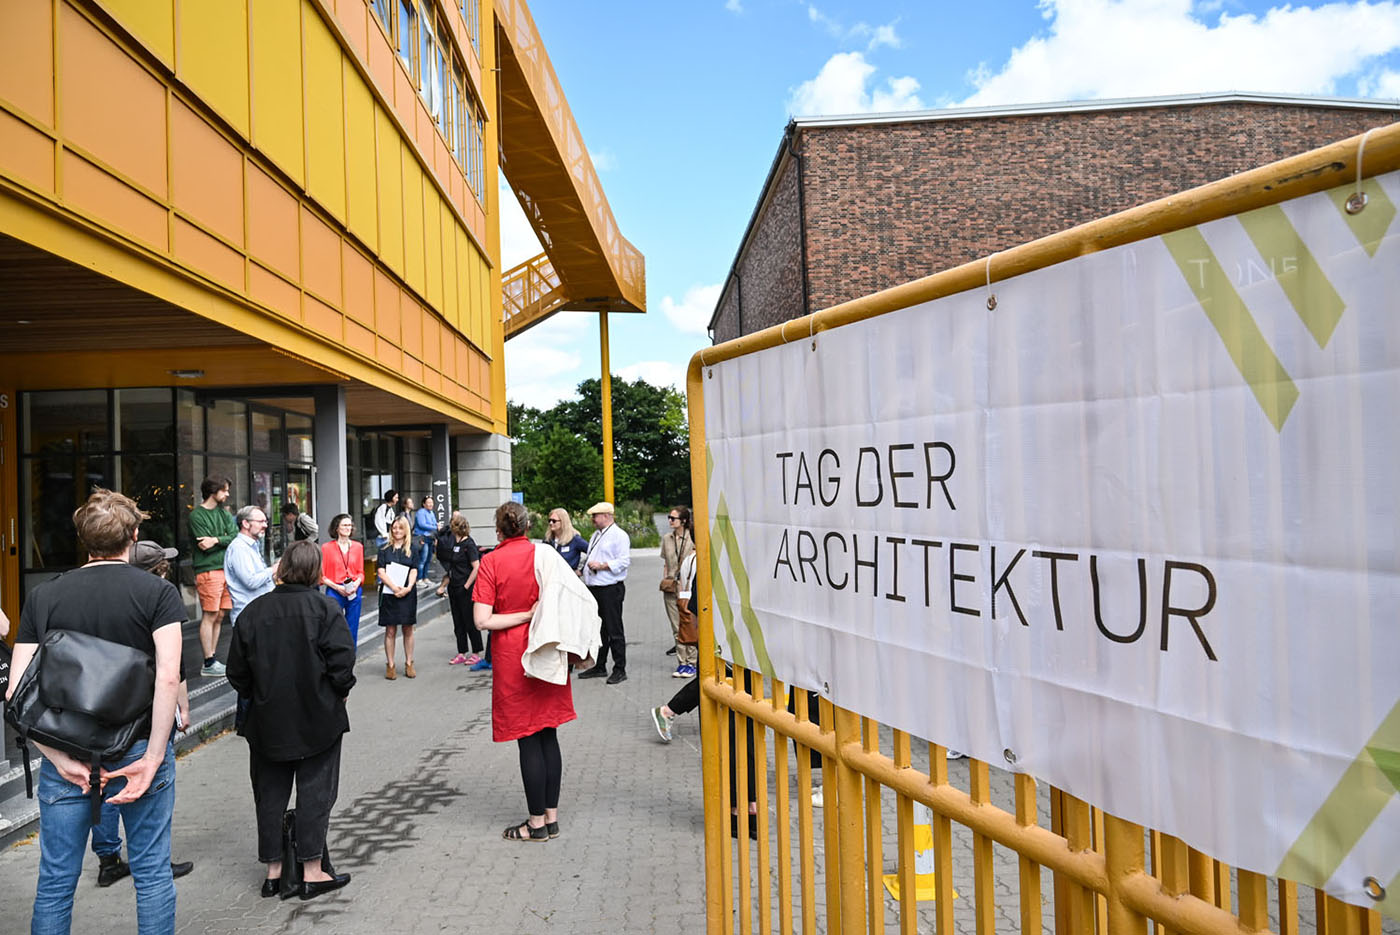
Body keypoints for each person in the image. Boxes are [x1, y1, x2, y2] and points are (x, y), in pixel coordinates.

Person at [7, 489, 184, 935]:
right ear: (134, 535)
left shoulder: (45, 596)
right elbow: (168, 677)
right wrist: (153, 757)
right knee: (152, 874)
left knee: (54, 883)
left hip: (66, 753)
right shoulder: (158, 593)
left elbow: (17, 692)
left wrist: (56, 759)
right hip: (138, 746)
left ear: (82, 539)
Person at [226, 541, 355, 901]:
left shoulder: (253, 612)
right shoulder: (325, 609)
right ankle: (312, 870)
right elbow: (343, 663)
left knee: (269, 794)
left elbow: (236, 673)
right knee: (316, 792)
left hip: (267, 720)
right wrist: (339, 692)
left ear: (281, 569)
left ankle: (274, 872)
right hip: (318, 717)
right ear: (316, 571)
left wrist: (259, 692)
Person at [90, 541, 195, 888]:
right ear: (157, 568)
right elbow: (173, 665)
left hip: (99, 704)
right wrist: (182, 705)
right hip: (145, 710)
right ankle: (155, 861)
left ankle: (108, 859)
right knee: (151, 790)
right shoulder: (160, 594)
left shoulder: (105, 593)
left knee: (104, 785)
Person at [473, 501, 576, 842]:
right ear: (528, 527)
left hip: (512, 654)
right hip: (546, 645)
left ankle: (535, 824)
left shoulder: (490, 561)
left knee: (527, 737)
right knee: (548, 732)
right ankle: (552, 816)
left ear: (499, 530)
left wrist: (520, 615)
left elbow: (482, 620)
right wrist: (535, 615)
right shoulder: (544, 554)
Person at [577, 502, 632, 685]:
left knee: (614, 628)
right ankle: (600, 665)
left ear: (607, 516)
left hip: (610, 587)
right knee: (600, 629)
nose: (593, 519)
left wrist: (603, 566)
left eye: (596, 516)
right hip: (596, 586)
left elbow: (624, 561)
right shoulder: (596, 535)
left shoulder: (619, 536)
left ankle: (620, 668)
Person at [189, 477, 236, 677]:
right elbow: (203, 546)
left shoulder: (224, 514)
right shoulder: (196, 516)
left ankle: (214, 657)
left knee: (220, 615)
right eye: (224, 491)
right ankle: (208, 661)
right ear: (214, 490)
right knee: (210, 615)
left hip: (225, 570)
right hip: (208, 571)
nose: (227, 495)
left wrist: (216, 539)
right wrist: (222, 542)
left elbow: (234, 536)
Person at [435, 511, 482, 665]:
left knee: (469, 620)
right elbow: (451, 567)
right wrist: (445, 585)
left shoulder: (469, 544)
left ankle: (476, 651)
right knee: (458, 621)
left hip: (465, 587)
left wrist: (466, 585)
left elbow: (476, 567)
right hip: (454, 586)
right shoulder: (455, 544)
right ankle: (461, 651)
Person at [376, 516, 418, 680]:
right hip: (389, 593)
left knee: (408, 628)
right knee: (390, 630)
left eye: (400, 528)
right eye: (394, 528)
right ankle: (391, 665)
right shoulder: (384, 549)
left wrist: (408, 587)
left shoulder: (412, 548)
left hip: (407, 593)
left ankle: (409, 663)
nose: (397, 531)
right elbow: (381, 571)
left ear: (405, 529)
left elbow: (414, 569)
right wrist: (394, 587)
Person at [225, 506, 278, 626]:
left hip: (258, 614)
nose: (265, 525)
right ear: (245, 523)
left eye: (266, 521)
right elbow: (250, 581)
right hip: (249, 617)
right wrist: (273, 569)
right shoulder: (239, 548)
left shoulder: (251, 546)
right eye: (260, 521)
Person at [660, 507, 696, 678]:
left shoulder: (692, 538)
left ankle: (693, 661)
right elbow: (666, 562)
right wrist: (666, 579)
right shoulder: (667, 539)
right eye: (669, 517)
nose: (670, 521)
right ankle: (682, 662)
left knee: (688, 622)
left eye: (673, 518)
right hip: (671, 586)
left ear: (683, 520)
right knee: (676, 626)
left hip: (686, 587)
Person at [320, 514, 365, 646]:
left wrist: (356, 584)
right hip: (335, 590)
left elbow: (361, 572)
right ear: (336, 528)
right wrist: (337, 587)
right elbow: (322, 576)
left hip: (354, 589)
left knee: (353, 626)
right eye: (344, 525)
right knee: (334, 626)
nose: (348, 528)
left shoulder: (358, 547)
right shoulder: (326, 548)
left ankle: (350, 657)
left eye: (350, 525)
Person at [545, 508, 588, 574]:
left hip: (568, 578)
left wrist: (582, 571)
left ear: (563, 522)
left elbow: (592, 552)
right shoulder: (547, 539)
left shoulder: (575, 539)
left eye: (554, 521)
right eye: (549, 520)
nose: (551, 523)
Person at [412, 495, 440, 587]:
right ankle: (418, 579)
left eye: (431, 502)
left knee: (428, 559)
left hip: (430, 538)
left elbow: (434, 523)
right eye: (428, 502)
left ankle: (425, 578)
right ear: (424, 504)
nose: (430, 504)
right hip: (422, 538)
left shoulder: (431, 513)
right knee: (422, 559)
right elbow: (422, 524)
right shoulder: (421, 512)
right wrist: (436, 527)